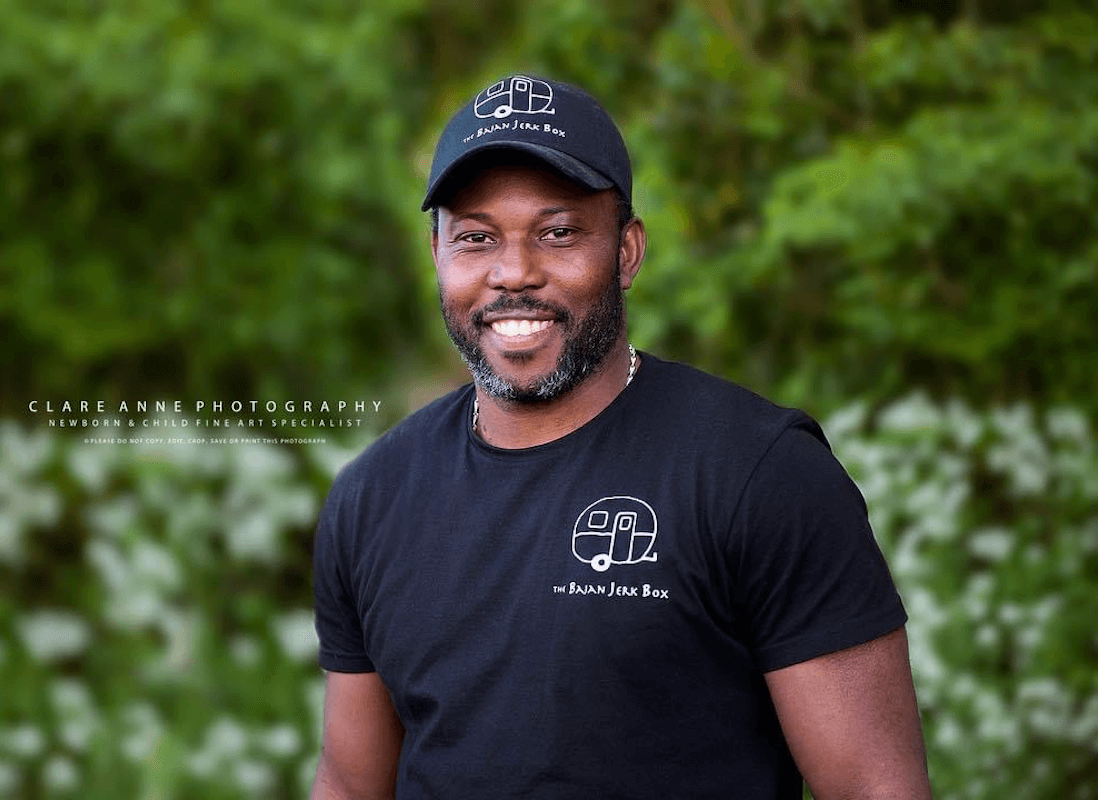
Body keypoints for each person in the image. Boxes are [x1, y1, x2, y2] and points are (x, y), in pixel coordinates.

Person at [311, 74, 933, 799]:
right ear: (439, 256)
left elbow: (874, 788)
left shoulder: (760, 474)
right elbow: (352, 786)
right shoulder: (371, 498)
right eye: (477, 239)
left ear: (627, 251)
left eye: (559, 232)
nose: (514, 273)